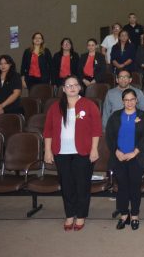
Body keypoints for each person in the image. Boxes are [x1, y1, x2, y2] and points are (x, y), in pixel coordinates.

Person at [42, 75, 101, 231]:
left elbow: (96, 129)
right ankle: (69, 214)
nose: (72, 88)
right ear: (63, 89)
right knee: (67, 185)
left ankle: (80, 216)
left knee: (82, 185)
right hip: (61, 152)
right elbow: (48, 130)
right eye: (69, 85)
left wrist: (94, 149)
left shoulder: (89, 105)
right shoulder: (55, 107)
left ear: (80, 88)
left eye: (75, 85)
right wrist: (47, 151)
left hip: (83, 152)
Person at [105, 88, 144, 231]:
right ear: (122, 101)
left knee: (134, 187)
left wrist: (135, 151)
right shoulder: (115, 116)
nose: (129, 102)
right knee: (122, 187)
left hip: (136, 158)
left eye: (132, 99)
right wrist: (116, 151)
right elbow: (109, 136)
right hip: (118, 157)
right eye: (126, 100)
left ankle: (135, 214)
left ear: (136, 100)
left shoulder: (143, 116)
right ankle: (124, 214)